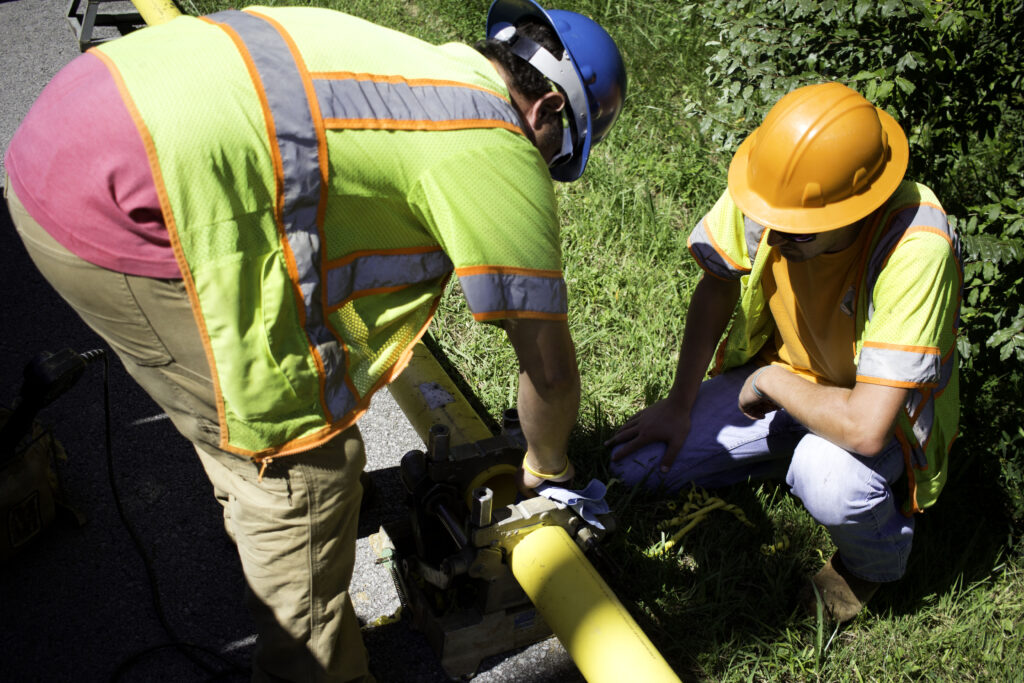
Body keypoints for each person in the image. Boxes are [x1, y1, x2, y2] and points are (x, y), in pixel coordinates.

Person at [3, 1, 626, 680]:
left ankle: (257, 508)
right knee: (307, 473)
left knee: (243, 426)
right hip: (115, 206)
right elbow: (551, 371)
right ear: (550, 115)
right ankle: (312, 650)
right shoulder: (493, 137)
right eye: (556, 156)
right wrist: (548, 472)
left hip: (67, 133)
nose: (545, 166)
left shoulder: (426, 71)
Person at [608, 82, 960, 623]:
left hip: (873, 415)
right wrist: (679, 403)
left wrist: (770, 385)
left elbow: (866, 426)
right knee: (632, 468)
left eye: (799, 228)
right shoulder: (776, 190)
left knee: (829, 479)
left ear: (857, 207)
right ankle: (781, 458)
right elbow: (717, 283)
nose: (776, 232)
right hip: (784, 382)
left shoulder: (915, 245)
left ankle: (874, 564)